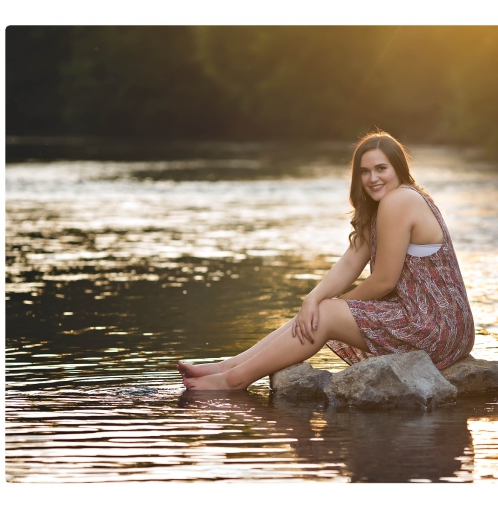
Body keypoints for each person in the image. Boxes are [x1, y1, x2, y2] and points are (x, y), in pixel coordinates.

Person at [178, 131, 474, 390]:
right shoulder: (384, 206)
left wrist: (335, 308)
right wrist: (313, 298)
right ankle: (228, 367)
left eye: (381, 169)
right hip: (429, 321)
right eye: (364, 171)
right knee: (319, 310)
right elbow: (349, 263)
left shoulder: (400, 201)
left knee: (326, 315)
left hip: (437, 326)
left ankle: (234, 380)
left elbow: (384, 280)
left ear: (399, 169)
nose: (372, 178)